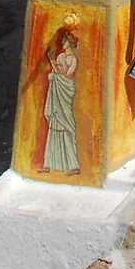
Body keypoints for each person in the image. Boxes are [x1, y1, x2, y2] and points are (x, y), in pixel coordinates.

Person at [42, 30, 80, 173]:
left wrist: (52, 61)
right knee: (54, 126)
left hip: (65, 91)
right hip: (57, 91)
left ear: (70, 43)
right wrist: (53, 61)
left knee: (67, 127)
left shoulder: (73, 60)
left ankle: (73, 165)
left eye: (64, 41)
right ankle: (49, 163)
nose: (62, 44)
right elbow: (56, 71)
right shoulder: (61, 56)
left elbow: (66, 76)